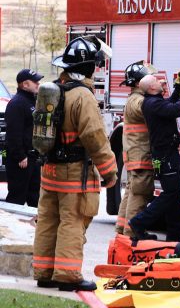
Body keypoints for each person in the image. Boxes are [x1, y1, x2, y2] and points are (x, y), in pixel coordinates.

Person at [33, 36, 117, 292]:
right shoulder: (83, 96)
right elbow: (95, 137)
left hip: (50, 171)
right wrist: (109, 171)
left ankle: (44, 272)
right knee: (73, 220)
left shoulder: (52, 91)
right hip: (73, 173)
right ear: (89, 67)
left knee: (48, 219)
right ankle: (68, 276)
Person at [128, 72, 180, 242]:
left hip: (166, 154)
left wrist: (178, 87)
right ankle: (138, 222)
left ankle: (175, 235)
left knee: (176, 195)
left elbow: (169, 103)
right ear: (152, 87)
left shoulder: (155, 102)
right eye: (156, 80)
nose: (160, 80)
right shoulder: (152, 104)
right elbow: (176, 109)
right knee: (171, 193)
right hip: (165, 155)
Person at [115, 61, 155, 238]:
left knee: (131, 193)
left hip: (134, 156)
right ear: (140, 83)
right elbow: (154, 110)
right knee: (139, 195)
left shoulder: (133, 99)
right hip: (141, 156)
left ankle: (122, 230)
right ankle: (132, 233)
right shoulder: (140, 102)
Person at [5, 69, 44, 207]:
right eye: (35, 82)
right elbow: (13, 134)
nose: (38, 84)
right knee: (17, 199)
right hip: (21, 161)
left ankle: (34, 228)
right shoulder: (17, 103)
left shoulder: (31, 101)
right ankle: (11, 228)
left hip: (32, 159)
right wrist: (20, 156)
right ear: (25, 84)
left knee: (35, 198)